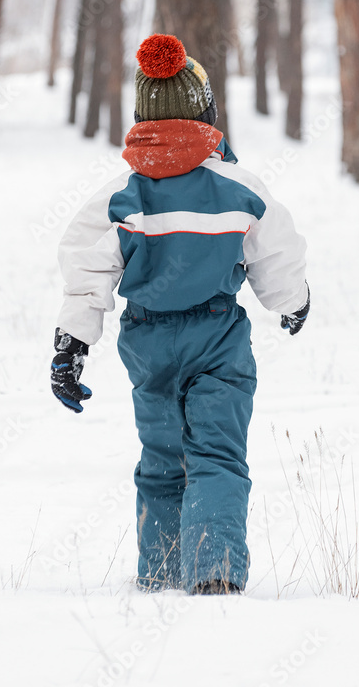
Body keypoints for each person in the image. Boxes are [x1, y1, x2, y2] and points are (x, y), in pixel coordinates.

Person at [51, 34, 309, 595]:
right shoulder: (239, 187)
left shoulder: (120, 196)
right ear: (205, 112)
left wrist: (71, 345)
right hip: (216, 335)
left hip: (147, 340)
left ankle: (161, 572)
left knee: (163, 456)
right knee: (216, 452)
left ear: (143, 115)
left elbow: (87, 272)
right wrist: (293, 301)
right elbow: (276, 250)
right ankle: (213, 569)